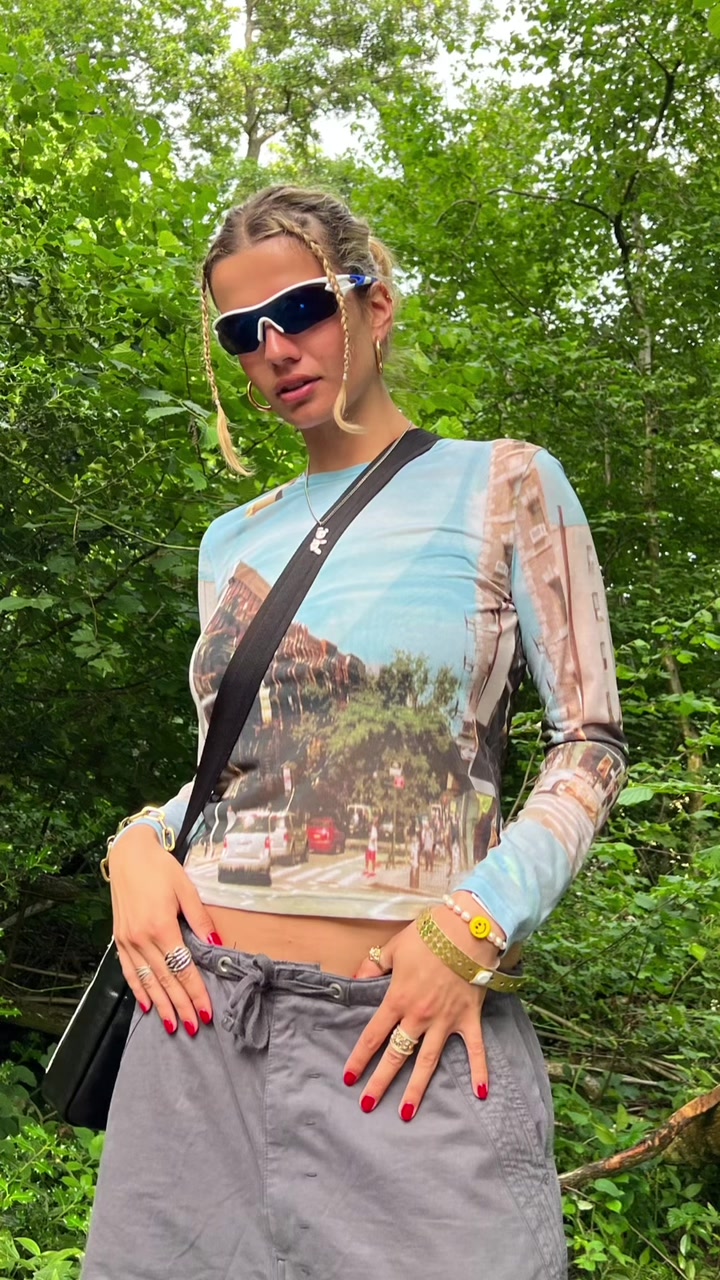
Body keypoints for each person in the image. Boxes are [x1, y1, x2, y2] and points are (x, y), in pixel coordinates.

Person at [82, 185, 628, 1280]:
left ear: (374, 302)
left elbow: (591, 743)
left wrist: (476, 924)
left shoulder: (506, 482)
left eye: (300, 309)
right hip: (195, 1026)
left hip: (407, 1031)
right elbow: (243, 772)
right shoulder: (230, 540)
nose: (275, 349)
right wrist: (135, 841)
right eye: (243, 332)